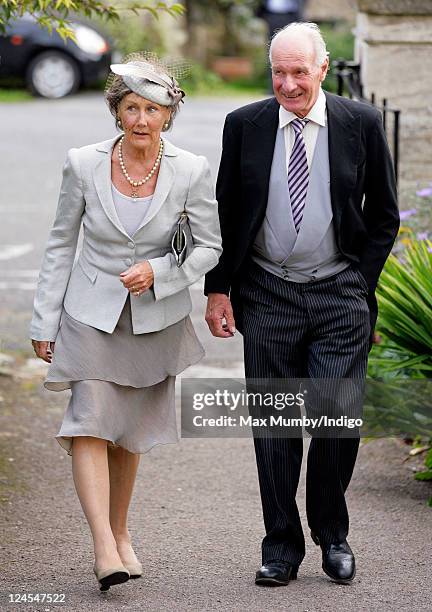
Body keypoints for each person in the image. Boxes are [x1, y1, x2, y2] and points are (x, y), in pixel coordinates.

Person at [205, 23, 399, 586]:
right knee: (275, 427)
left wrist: (360, 284)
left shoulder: (359, 122)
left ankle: (332, 534)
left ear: (321, 67)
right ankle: (281, 545)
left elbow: (384, 215)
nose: (288, 84)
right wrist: (219, 288)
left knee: (336, 421)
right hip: (267, 291)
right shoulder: (245, 124)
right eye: (278, 72)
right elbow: (227, 211)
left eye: (298, 72)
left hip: (339, 289)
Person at [30, 54, 222, 592]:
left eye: (152, 109)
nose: (141, 119)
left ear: (168, 114)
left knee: (128, 434)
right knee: (89, 419)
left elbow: (210, 246)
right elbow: (60, 243)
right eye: (131, 107)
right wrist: (44, 320)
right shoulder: (83, 163)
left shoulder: (190, 169)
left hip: (152, 320)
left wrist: (159, 271)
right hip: (89, 313)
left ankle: (120, 531)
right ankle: (102, 548)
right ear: (117, 112)